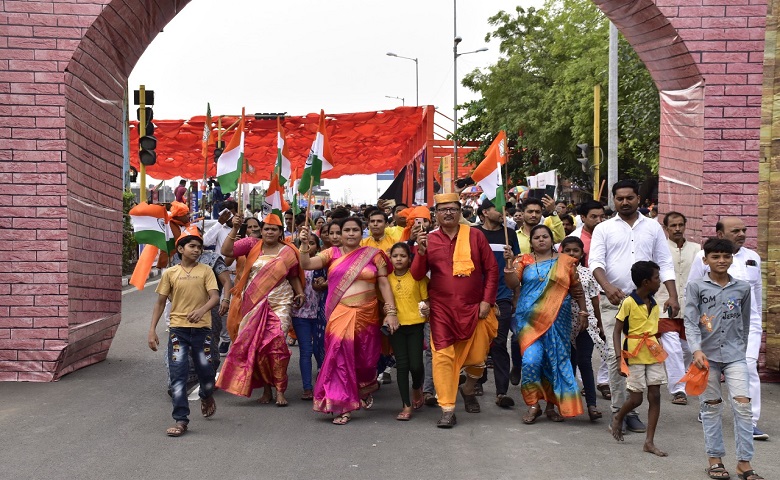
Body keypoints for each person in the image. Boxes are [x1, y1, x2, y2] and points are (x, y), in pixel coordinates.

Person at [590, 179, 678, 434]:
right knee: (615, 354)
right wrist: (607, 288)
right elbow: (595, 261)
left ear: (639, 198)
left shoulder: (652, 228)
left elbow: (664, 262)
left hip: (647, 305)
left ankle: (632, 410)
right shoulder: (604, 228)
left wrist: (672, 296)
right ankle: (619, 411)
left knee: (641, 354)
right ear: (614, 200)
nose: (625, 202)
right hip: (614, 301)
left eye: (630, 198)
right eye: (620, 198)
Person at [298, 217, 398, 425]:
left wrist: (391, 311)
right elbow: (306, 263)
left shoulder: (373, 255)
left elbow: (384, 284)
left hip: (368, 314)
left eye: (355, 230)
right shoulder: (331, 253)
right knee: (338, 355)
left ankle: (365, 386)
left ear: (361, 232)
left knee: (366, 360)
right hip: (340, 312)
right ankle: (341, 404)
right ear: (340, 234)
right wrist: (304, 244)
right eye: (347, 230)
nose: (351, 234)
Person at [411, 193, 499, 428]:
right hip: (441, 310)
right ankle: (447, 408)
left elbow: (491, 270)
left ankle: (468, 389)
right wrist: (419, 252)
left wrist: (486, 301)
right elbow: (417, 275)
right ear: (435, 214)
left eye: (452, 209)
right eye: (443, 209)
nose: (448, 213)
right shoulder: (428, 240)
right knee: (442, 358)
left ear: (461, 212)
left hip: (475, 307)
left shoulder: (476, 236)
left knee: (478, 359)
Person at [684, 238, 762, 480]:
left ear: (731, 259)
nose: (721, 261)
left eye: (726, 256)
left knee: (743, 406)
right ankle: (715, 460)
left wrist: (745, 350)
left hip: (735, 355)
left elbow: (746, 322)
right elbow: (690, 321)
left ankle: (744, 464)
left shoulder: (742, 288)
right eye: (715, 256)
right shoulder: (696, 287)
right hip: (705, 358)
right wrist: (696, 349)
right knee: (711, 408)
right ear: (705, 260)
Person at [216, 213, 306, 407]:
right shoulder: (251, 244)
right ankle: (266, 390)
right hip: (254, 300)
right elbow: (226, 250)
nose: (270, 232)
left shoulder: (289, 251)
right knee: (256, 346)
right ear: (261, 231)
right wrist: (234, 228)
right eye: (266, 229)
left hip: (280, 301)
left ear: (280, 232)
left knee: (276, 345)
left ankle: (280, 390)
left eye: (274, 229)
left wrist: (301, 293)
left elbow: (293, 277)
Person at [505, 225, 587, 424]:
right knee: (531, 361)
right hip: (530, 320)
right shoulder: (523, 260)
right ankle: (533, 404)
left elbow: (577, 288)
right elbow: (512, 284)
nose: (541, 240)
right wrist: (508, 265)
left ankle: (551, 406)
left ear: (552, 240)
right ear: (531, 242)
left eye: (545, 237)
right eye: (536, 238)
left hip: (558, 319)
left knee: (554, 361)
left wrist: (584, 312)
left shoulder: (566, 262)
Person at [148, 229, 219, 437]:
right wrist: (152, 330)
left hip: (202, 331)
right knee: (178, 375)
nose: (197, 250)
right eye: (192, 246)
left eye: (199, 247)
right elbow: (160, 302)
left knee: (206, 372)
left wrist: (202, 310)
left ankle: (207, 395)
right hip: (178, 330)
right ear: (180, 249)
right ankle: (181, 420)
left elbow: (214, 296)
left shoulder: (206, 271)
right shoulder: (170, 273)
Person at [609, 261, 668, 457]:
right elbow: (617, 332)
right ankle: (619, 416)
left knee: (656, 395)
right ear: (646, 282)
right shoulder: (628, 302)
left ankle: (649, 441)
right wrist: (619, 358)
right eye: (657, 278)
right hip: (634, 353)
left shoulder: (654, 302)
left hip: (653, 351)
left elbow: (654, 329)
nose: (659, 281)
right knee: (636, 398)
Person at [474, 199, 520, 408]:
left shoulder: (509, 233)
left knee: (499, 342)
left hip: (503, 295)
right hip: (477, 296)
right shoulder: (474, 233)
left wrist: (512, 259)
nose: (503, 212)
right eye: (496, 208)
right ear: (484, 212)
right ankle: (477, 380)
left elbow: (517, 264)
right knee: (479, 342)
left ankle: (501, 392)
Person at [559, 236, 607, 421]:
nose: (571, 254)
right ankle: (569, 404)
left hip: (586, 324)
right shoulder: (557, 273)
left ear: (582, 253)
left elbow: (595, 299)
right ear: (561, 252)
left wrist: (599, 323)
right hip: (563, 323)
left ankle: (592, 405)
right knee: (567, 363)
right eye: (568, 250)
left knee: (585, 362)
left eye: (575, 250)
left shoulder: (588, 273)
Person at [656, 211, 699, 406]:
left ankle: (684, 380)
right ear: (666, 228)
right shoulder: (659, 249)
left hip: (691, 307)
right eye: (673, 226)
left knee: (688, 349)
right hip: (664, 305)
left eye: (680, 225)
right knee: (672, 348)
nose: (677, 229)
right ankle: (678, 389)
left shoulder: (697, 250)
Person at [388, 242, 430, 421]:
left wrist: (427, 309)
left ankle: (416, 387)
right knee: (402, 366)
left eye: (403, 256)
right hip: (395, 326)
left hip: (415, 325)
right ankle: (406, 405)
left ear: (409, 258)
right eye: (395, 256)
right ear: (390, 258)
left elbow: (426, 300)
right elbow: (384, 303)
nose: (399, 259)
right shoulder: (386, 279)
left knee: (416, 365)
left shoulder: (417, 277)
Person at [291, 233, 327, 400]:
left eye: (312, 243)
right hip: (301, 314)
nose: (309, 247)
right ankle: (307, 387)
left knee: (322, 350)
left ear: (318, 247)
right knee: (306, 350)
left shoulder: (323, 265)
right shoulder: (295, 265)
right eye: (305, 244)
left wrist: (323, 283)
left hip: (321, 314)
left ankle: (323, 383)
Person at [203, 199, 239, 355]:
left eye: (231, 212)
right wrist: (219, 223)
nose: (229, 216)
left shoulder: (244, 228)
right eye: (225, 213)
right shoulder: (220, 228)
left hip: (241, 275)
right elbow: (204, 242)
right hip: (221, 275)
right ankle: (225, 339)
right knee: (223, 308)